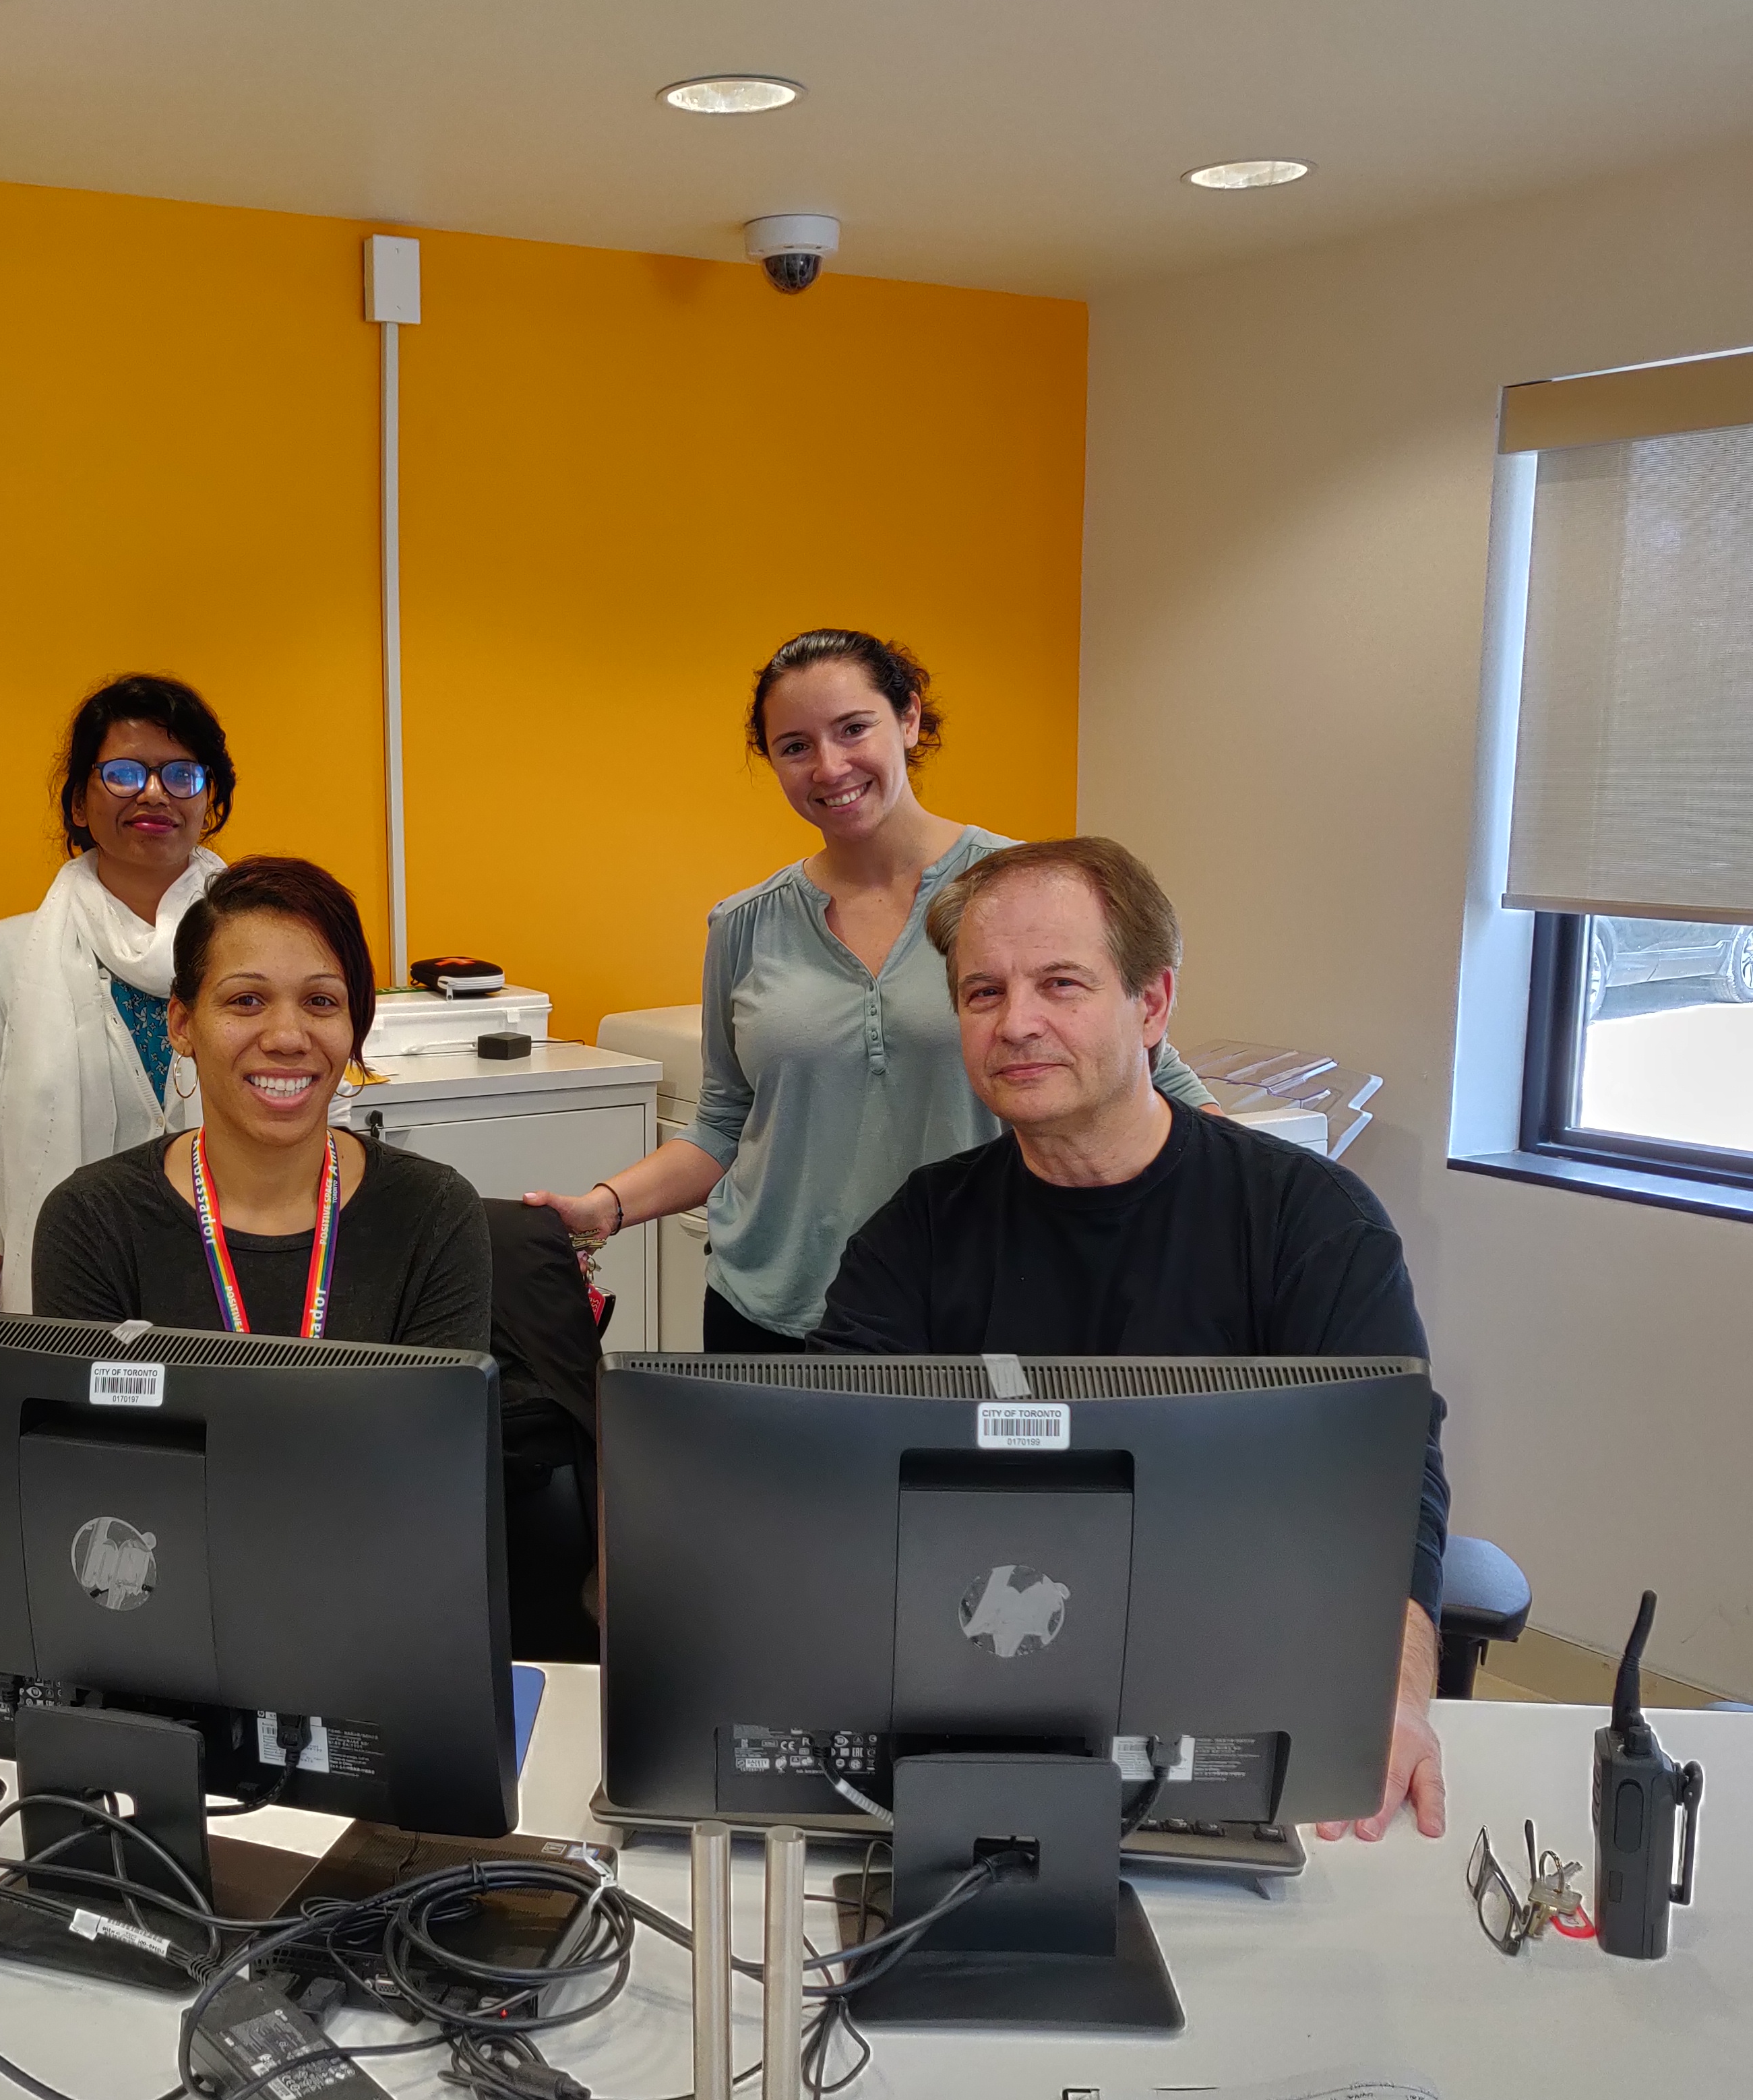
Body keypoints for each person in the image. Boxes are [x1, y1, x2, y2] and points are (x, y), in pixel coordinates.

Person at [811, 836, 1452, 1845]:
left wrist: (1397, 1692)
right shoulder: (917, 1233)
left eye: (1061, 984)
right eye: (983, 994)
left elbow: (1391, 1479)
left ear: (1152, 1005)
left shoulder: (1310, 1223)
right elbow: (827, 1473)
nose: (1017, 1023)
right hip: (972, 1679)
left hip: (1236, 1690)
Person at [529, 629, 1214, 1350]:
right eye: (795, 747)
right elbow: (725, 1122)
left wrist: (1271, 1199)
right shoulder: (745, 924)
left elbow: (1155, 1071)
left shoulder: (1027, 893)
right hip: (772, 1307)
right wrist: (605, 1207)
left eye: (854, 729)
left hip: (974, 1308)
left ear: (910, 719)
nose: (829, 767)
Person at [34, 857, 491, 1349]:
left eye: (321, 1001)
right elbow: (90, 1428)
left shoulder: (435, 1214)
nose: (288, 1038)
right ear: (183, 1025)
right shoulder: (94, 1221)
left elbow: (438, 1425)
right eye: (247, 1000)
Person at [0, 674, 236, 1314]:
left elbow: (323, 1135)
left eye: (182, 774)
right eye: (125, 773)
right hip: (68, 1296)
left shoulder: (259, 948)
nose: (154, 793)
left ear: (209, 801)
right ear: (79, 803)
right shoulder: (6, 959)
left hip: (234, 1298)